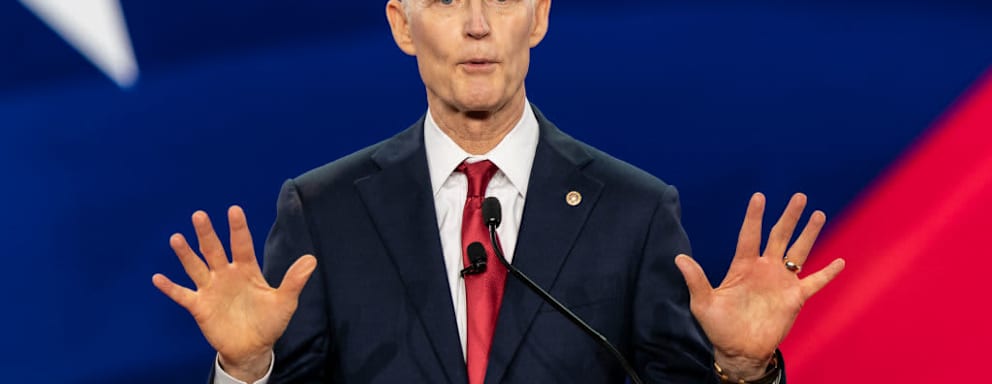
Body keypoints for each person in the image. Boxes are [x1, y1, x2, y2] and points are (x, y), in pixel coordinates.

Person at [152, 0, 846, 383]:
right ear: (401, 24)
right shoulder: (323, 212)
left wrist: (742, 368)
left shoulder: (633, 212)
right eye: (447, 0)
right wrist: (247, 373)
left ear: (539, 17)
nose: (477, 24)